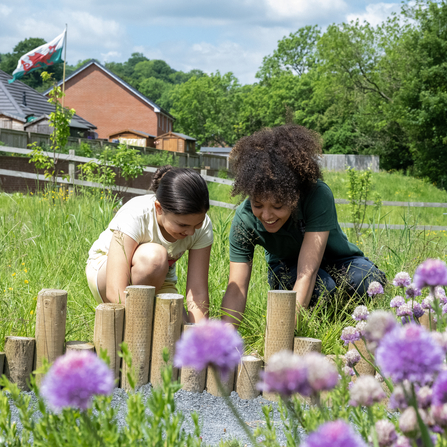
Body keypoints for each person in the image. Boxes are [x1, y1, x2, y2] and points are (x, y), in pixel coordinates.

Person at [221, 125, 386, 324]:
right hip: (286, 266)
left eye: (278, 206)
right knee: (323, 287)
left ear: (294, 196)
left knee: (369, 280)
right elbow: (236, 288)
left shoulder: (317, 196)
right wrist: (225, 340)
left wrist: (286, 330)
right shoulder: (244, 219)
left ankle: (347, 321)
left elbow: (307, 272)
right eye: (258, 205)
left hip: (337, 260)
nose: (266, 215)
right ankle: (323, 321)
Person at [86, 166, 213, 323]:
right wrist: (140, 330)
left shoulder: (202, 226)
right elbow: (115, 290)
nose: (191, 232)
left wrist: (200, 338)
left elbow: (198, 292)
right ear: (159, 208)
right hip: (107, 273)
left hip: (159, 277)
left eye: (198, 224)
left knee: (178, 333)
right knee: (154, 257)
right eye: (182, 225)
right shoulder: (135, 214)